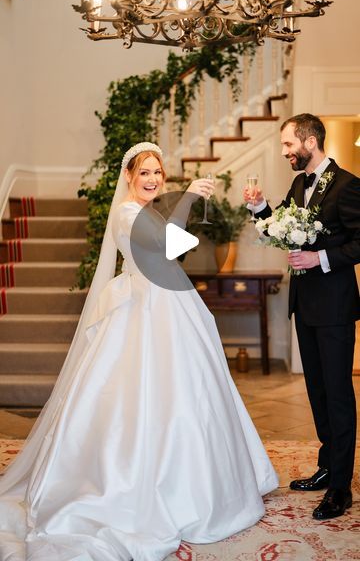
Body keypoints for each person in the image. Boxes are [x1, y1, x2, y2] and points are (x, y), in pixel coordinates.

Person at [0, 141, 278, 561]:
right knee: (143, 395)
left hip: (169, 301)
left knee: (193, 391)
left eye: (158, 173)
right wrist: (189, 198)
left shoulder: (146, 211)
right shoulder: (128, 213)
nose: (152, 179)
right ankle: (138, 484)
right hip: (146, 307)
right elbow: (172, 244)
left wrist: (184, 201)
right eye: (145, 172)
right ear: (129, 176)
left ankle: (209, 478)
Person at [244, 113, 360, 520]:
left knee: (338, 394)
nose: (284, 152)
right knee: (318, 392)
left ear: (310, 142)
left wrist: (321, 257)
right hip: (305, 306)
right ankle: (328, 467)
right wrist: (261, 209)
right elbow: (282, 230)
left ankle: (341, 490)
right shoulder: (298, 184)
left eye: (288, 144)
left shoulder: (347, 186)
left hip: (335, 307)